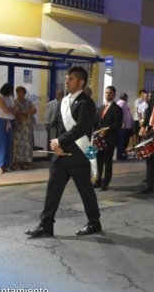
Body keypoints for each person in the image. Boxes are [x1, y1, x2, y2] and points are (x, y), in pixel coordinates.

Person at [25, 66, 101, 237]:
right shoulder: (63, 101)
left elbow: (81, 129)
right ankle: (46, 225)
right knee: (52, 190)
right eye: (66, 78)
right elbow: (58, 127)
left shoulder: (86, 103)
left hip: (78, 156)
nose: (66, 81)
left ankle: (94, 223)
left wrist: (60, 141)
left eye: (71, 78)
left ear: (81, 82)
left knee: (86, 192)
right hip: (60, 156)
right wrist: (56, 145)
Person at [94, 86, 123, 191]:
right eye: (106, 93)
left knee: (107, 161)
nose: (107, 95)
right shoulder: (101, 108)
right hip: (99, 139)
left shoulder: (117, 109)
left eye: (110, 93)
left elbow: (118, 124)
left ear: (114, 95)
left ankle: (106, 182)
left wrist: (108, 129)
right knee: (99, 160)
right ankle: (98, 180)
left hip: (110, 139)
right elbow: (96, 122)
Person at [11, 86, 37, 170]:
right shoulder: (14, 102)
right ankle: (17, 163)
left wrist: (26, 112)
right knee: (18, 145)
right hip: (18, 128)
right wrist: (25, 113)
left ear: (25, 94)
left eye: (22, 93)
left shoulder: (28, 101)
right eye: (19, 93)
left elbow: (34, 110)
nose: (20, 94)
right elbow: (17, 113)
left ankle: (27, 162)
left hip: (27, 128)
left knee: (28, 145)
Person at [0, 83, 15, 174]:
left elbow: (14, 108)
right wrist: (11, 109)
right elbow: (5, 109)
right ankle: (0, 165)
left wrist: (11, 109)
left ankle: (6, 165)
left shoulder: (10, 98)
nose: (11, 93)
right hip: (0, 121)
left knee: (8, 144)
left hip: (10, 121)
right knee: (1, 144)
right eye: (10, 91)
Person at [45, 90, 64, 160]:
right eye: (58, 94)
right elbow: (47, 116)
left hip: (60, 127)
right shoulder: (51, 104)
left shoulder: (64, 103)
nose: (60, 96)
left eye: (61, 95)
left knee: (58, 142)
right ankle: (50, 157)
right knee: (51, 141)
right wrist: (47, 126)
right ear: (56, 95)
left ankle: (57, 156)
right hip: (51, 126)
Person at [116, 93, 134, 160]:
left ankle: (122, 154)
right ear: (125, 98)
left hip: (126, 126)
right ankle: (120, 155)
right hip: (124, 126)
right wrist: (123, 122)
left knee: (124, 141)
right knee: (122, 142)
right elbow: (121, 114)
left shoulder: (123, 104)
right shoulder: (122, 104)